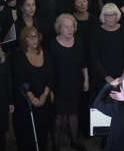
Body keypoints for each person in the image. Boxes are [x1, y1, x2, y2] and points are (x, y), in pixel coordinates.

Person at [89, 3, 124, 149]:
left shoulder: (123, 30)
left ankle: (119, 134)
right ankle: (105, 136)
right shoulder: (97, 31)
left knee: (120, 105)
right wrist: (107, 78)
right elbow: (94, 57)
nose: (110, 18)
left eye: (113, 14)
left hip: (120, 74)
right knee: (105, 105)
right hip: (102, 75)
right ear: (103, 16)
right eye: (107, 15)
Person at [49, 14, 89, 151]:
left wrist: (86, 79)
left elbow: (83, 61)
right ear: (59, 28)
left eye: (72, 26)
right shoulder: (53, 44)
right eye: (66, 26)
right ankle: (55, 145)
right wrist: (51, 89)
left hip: (75, 83)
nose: (69, 29)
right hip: (59, 85)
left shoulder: (78, 40)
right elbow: (50, 69)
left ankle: (74, 141)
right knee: (58, 115)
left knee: (73, 113)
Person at [10, 26, 53, 151]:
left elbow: (51, 76)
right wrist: (33, 98)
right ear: (24, 40)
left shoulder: (45, 53)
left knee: (42, 133)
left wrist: (45, 94)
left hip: (43, 99)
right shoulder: (18, 57)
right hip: (25, 102)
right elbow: (20, 80)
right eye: (30, 37)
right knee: (26, 135)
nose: (34, 39)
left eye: (36, 36)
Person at [71, 0, 100, 135]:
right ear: (74, 4)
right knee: (81, 94)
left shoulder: (95, 19)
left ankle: (94, 125)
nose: (82, 4)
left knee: (94, 93)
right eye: (78, 1)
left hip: (94, 61)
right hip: (77, 63)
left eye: (84, 1)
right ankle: (82, 125)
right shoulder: (70, 20)